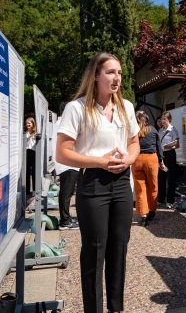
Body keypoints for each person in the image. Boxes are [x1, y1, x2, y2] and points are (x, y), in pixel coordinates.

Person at [56, 52, 140, 313]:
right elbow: (62, 153)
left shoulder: (126, 106)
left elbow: (134, 143)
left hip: (121, 183)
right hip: (93, 183)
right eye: (111, 72)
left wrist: (128, 160)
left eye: (120, 73)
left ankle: (116, 309)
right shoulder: (77, 108)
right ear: (95, 76)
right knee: (94, 251)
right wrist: (100, 162)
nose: (117, 78)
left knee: (119, 249)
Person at [131, 110, 165, 226]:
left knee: (140, 188)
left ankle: (143, 216)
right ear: (147, 119)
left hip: (137, 159)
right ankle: (152, 211)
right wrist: (161, 160)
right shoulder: (153, 130)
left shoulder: (133, 130)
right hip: (151, 159)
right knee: (153, 186)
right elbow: (159, 146)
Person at [52, 102, 79, 230]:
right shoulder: (63, 124)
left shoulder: (59, 123)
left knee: (66, 193)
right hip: (68, 164)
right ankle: (65, 221)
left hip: (66, 164)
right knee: (66, 193)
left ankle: (66, 218)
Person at [158, 111, 180, 208]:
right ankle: (161, 198)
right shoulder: (160, 130)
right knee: (161, 177)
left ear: (169, 119)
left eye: (164, 119)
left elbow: (177, 145)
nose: (162, 121)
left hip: (170, 155)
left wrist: (170, 147)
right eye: (161, 119)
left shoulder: (173, 130)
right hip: (162, 156)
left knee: (171, 178)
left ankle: (170, 201)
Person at [24, 117, 37, 196]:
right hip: (26, 151)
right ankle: (27, 190)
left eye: (29, 123)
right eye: (27, 123)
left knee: (34, 171)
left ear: (33, 124)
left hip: (33, 152)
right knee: (27, 171)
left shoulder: (35, 133)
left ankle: (35, 190)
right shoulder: (25, 132)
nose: (28, 124)